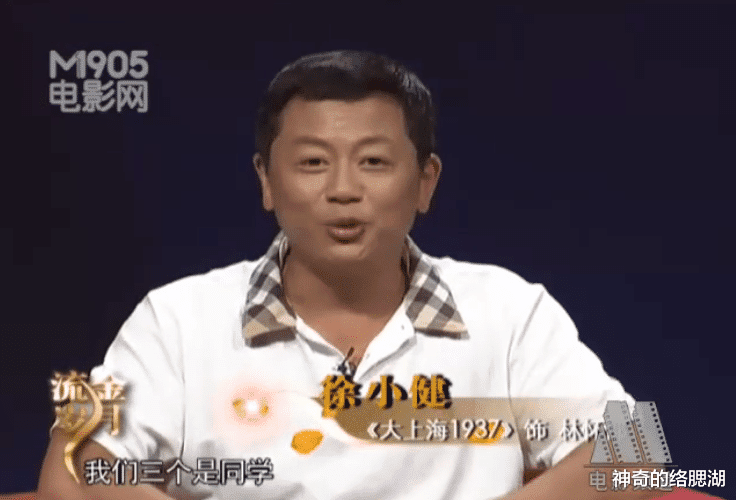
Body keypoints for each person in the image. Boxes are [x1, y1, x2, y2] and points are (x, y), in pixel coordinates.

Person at [37, 50, 655, 500]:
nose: (342, 190)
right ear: (266, 181)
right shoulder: (177, 319)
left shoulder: (510, 311)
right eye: (313, 163)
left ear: (426, 182)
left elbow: (637, 453)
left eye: (374, 162)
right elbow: (74, 466)